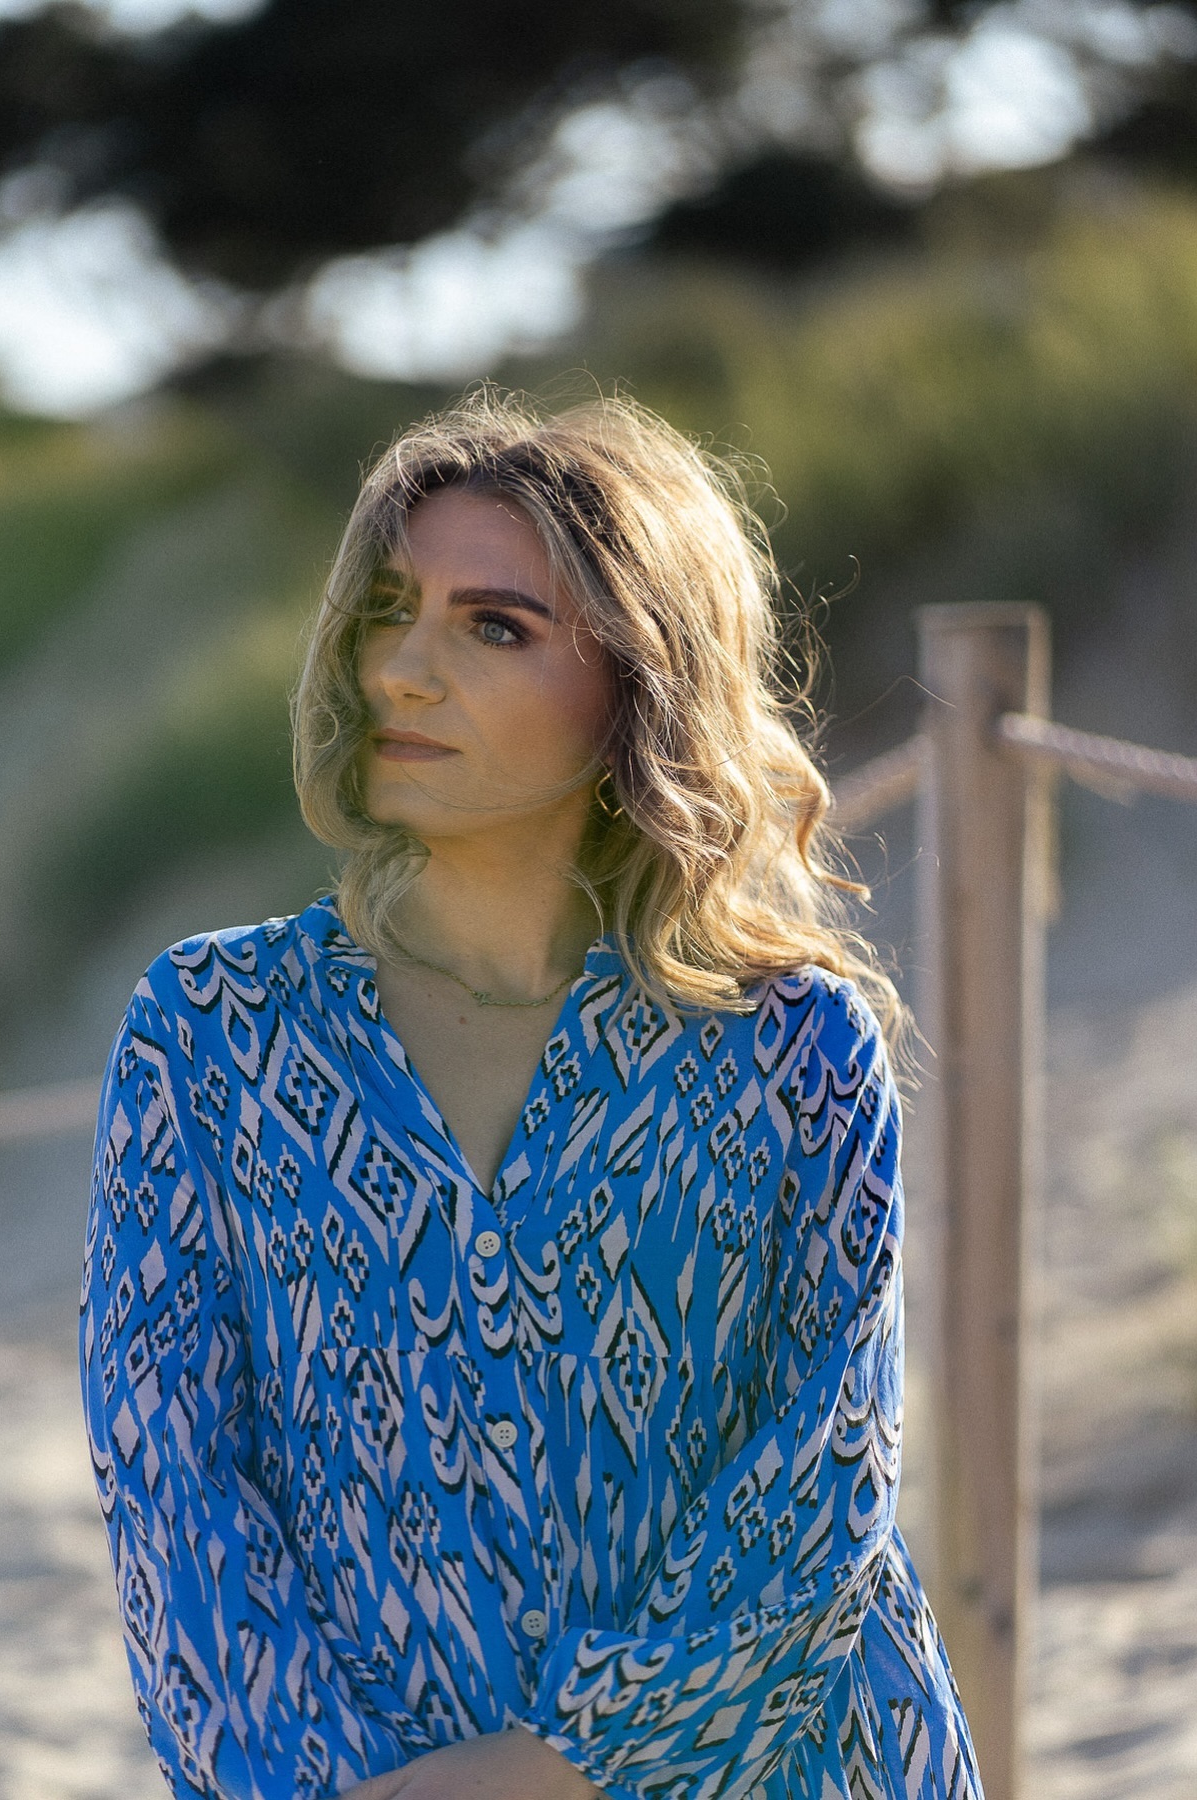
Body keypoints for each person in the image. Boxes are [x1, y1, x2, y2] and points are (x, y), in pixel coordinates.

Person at [81, 391, 982, 1800]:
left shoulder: (791, 1046)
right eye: (393, 611)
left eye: (494, 627)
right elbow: (173, 1482)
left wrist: (558, 1770)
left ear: (641, 678)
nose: (407, 670)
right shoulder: (212, 1035)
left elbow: (825, 1483)